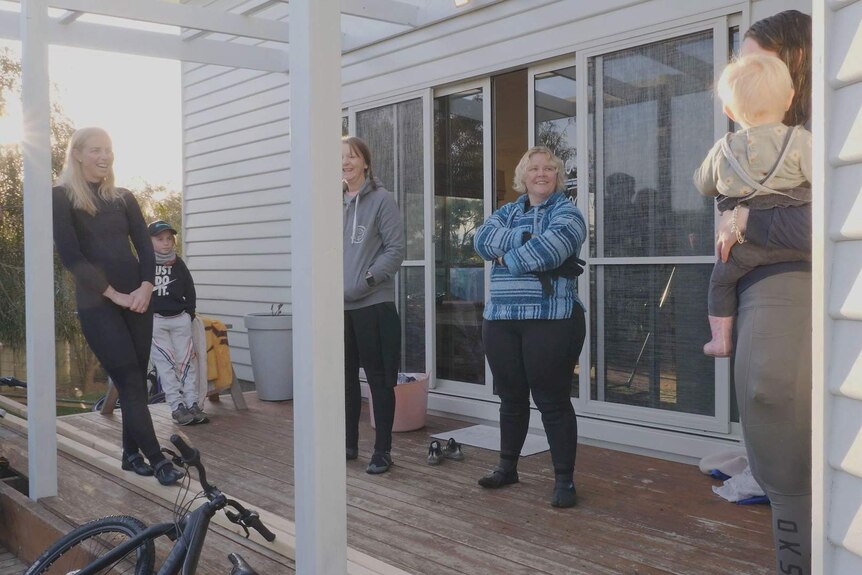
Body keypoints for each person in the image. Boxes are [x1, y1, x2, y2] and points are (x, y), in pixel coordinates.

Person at [714, 11, 813, 575]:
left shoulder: (811, 142)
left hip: (789, 290)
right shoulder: (744, 146)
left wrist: (746, 225)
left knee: (770, 394)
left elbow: (818, 229)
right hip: (753, 286)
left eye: (760, 62)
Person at [52, 127, 184, 486]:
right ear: (77, 154)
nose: (104, 156)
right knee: (127, 377)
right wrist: (114, 294)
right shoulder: (62, 197)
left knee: (136, 382)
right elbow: (71, 255)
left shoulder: (124, 197)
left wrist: (145, 287)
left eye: (108, 150)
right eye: (95, 150)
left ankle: (130, 454)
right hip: (99, 303)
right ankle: (157, 459)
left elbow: (145, 246)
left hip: (139, 300)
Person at [473, 146, 587, 508]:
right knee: (511, 399)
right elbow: (480, 241)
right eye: (534, 168)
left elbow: (549, 252)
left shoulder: (568, 214)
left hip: (551, 319)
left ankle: (564, 481)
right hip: (502, 319)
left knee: (552, 401)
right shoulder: (506, 211)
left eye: (549, 169)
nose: (541, 174)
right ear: (523, 176)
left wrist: (505, 255)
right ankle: (508, 468)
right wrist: (522, 243)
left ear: (557, 176)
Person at [694, 54, 812, 357]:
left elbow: (703, 184)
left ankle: (720, 340)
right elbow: (822, 180)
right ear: (789, 99)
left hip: (745, 246)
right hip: (798, 243)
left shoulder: (723, 149)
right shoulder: (801, 140)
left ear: (729, 110)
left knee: (721, 281)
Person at [342, 136, 405, 475]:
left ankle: (382, 451)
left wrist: (365, 281)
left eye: (351, 157)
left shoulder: (383, 199)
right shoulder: (330, 202)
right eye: (339, 158)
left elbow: (395, 250)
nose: (345, 162)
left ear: (365, 162)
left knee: (380, 381)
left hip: (374, 305)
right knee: (345, 380)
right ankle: (348, 444)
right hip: (338, 310)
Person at [148, 219, 207, 426]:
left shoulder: (178, 263)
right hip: (156, 321)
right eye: (160, 239)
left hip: (179, 319)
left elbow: (189, 289)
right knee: (165, 364)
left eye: (169, 239)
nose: (166, 243)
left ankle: (192, 403)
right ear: (149, 241)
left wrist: (189, 313)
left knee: (186, 363)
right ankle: (176, 406)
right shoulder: (144, 264)